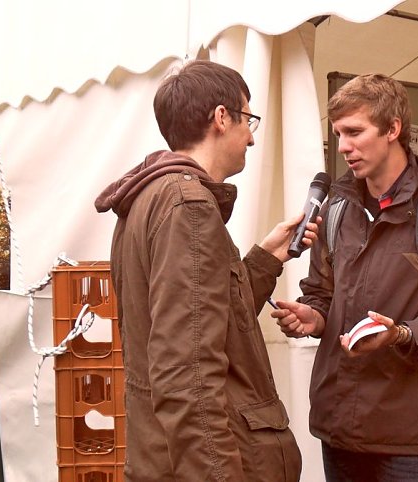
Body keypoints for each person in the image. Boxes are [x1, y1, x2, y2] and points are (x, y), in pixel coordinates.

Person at [270, 74, 418, 481]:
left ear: (393, 129)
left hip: (413, 439)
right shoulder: (337, 210)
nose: (343, 147)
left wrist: (402, 335)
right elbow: (321, 293)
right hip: (339, 428)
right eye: (339, 134)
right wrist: (313, 317)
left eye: (355, 132)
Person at [95, 60, 312, 481]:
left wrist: (266, 258)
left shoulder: (152, 198)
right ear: (222, 117)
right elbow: (187, 367)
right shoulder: (188, 206)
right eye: (248, 119)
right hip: (211, 464)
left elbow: (209, 321)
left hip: (167, 456)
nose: (251, 136)